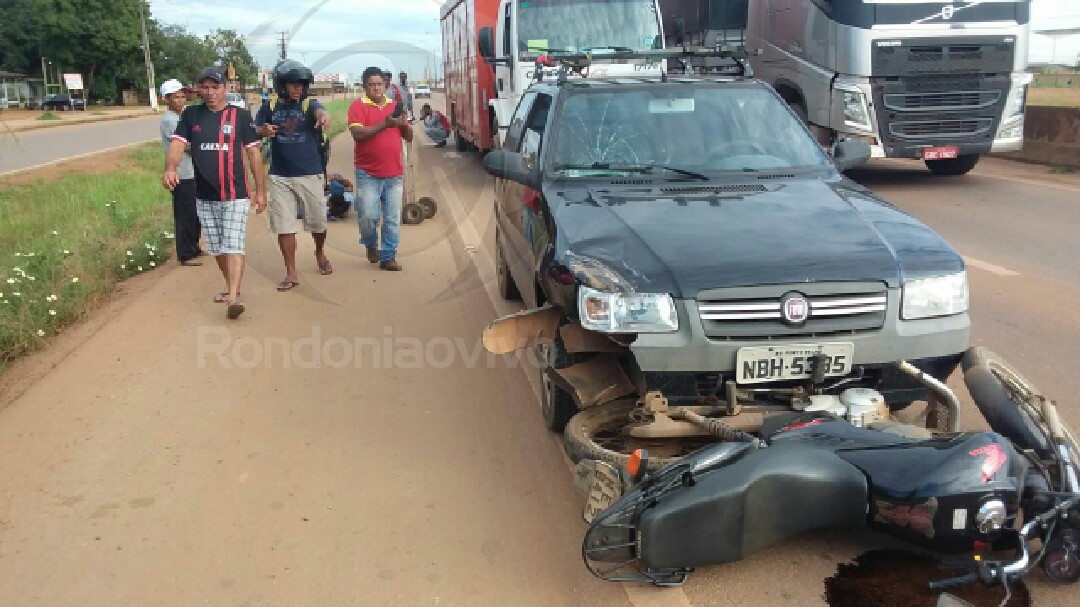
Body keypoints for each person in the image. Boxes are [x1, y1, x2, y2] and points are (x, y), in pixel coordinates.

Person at [162, 66, 267, 319]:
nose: (210, 92)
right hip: (204, 194)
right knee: (218, 247)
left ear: (225, 88)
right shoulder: (191, 115)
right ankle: (231, 286)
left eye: (215, 87)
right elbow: (177, 144)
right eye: (205, 87)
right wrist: (171, 168)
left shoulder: (240, 116)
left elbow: (253, 154)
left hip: (235, 194)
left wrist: (260, 191)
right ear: (199, 89)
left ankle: (234, 297)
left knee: (233, 243)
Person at [255, 59, 333, 291]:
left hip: (310, 173)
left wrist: (323, 117)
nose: (298, 88)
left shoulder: (310, 104)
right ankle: (291, 272)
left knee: (318, 223)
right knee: (284, 225)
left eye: (301, 84)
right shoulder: (269, 107)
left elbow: (321, 111)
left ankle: (319, 252)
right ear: (282, 85)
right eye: (293, 84)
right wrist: (263, 131)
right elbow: (254, 130)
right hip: (280, 176)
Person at [348, 66, 412, 271]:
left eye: (379, 84)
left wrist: (403, 124)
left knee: (392, 219)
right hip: (368, 173)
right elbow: (357, 134)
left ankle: (388, 256)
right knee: (368, 217)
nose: (376, 88)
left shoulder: (394, 106)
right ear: (364, 86)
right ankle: (370, 244)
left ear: (385, 85)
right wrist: (385, 124)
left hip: (394, 173)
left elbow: (409, 137)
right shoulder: (357, 107)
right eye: (372, 85)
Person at [158, 78, 204, 266]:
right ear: (166, 99)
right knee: (186, 215)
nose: (180, 100)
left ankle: (194, 247)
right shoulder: (170, 120)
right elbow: (185, 145)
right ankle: (185, 254)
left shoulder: (182, 116)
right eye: (175, 97)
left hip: (192, 171)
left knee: (195, 213)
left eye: (182, 96)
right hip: (182, 173)